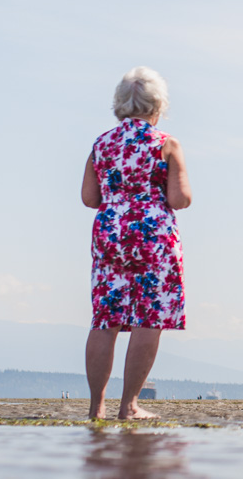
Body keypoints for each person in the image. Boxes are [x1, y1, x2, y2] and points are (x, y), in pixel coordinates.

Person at [81, 67, 192, 421]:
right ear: (157, 106)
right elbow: (179, 199)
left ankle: (96, 407)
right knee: (149, 318)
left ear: (120, 104)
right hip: (152, 235)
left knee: (106, 319)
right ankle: (128, 406)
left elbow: (89, 197)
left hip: (110, 233)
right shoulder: (166, 144)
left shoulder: (102, 144)